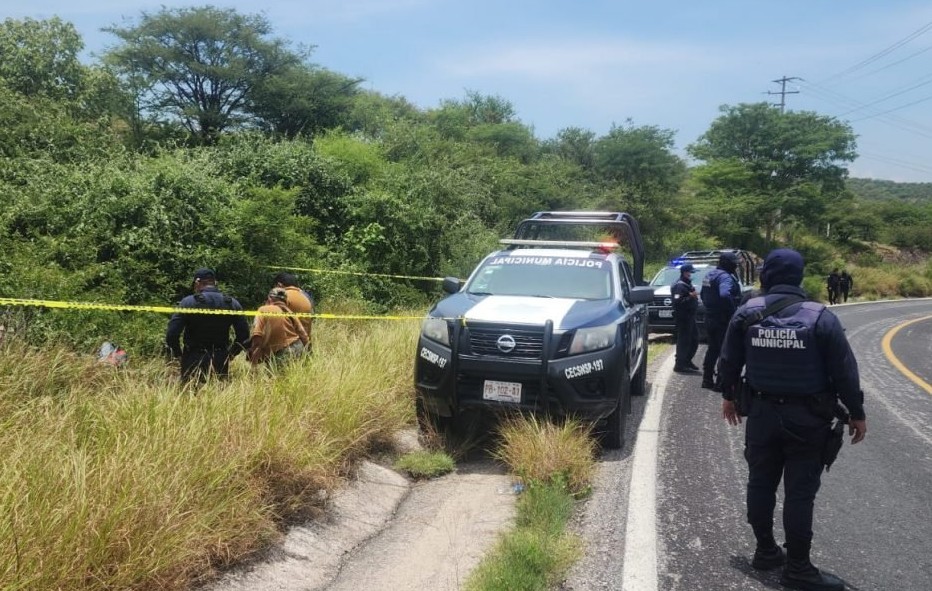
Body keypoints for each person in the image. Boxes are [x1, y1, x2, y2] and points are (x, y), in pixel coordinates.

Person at [719, 248, 867, 591]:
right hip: (808, 420)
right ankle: (798, 569)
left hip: (761, 415)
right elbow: (845, 374)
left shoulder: (747, 313)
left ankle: (765, 551)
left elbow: (728, 362)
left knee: (760, 483)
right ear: (799, 276)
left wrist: (729, 397)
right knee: (799, 495)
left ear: (765, 275)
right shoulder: (821, 317)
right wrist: (856, 414)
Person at [166, 268, 250, 383]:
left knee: (191, 395)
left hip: (193, 357)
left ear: (197, 282)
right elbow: (244, 335)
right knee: (218, 396)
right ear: (215, 282)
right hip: (220, 358)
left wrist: (178, 355)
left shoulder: (188, 303)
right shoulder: (232, 303)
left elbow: (172, 334)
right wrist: (231, 354)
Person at [700, 252, 741, 390]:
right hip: (723, 319)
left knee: (712, 349)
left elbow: (702, 294)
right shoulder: (725, 277)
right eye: (734, 263)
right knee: (725, 350)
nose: (736, 266)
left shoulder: (709, 275)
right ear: (728, 264)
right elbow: (724, 294)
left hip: (710, 317)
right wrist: (733, 311)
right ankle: (721, 383)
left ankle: (707, 379)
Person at [248, 287, 309, 365]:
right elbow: (304, 335)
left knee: (276, 377)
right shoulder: (289, 312)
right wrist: (308, 354)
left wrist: (254, 362)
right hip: (298, 348)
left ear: (269, 299)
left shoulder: (263, 310)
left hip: (281, 354)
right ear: (285, 301)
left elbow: (257, 336)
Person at [273, 272, 315, 355]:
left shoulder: (281, 296)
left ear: (279, 285)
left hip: (285, 349)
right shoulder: (306, 298)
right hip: (304, 348)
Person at [672, 263, 700, 373]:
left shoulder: (687, 283)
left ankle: (687, 360)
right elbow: (678, 303)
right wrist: (690, 297)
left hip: (690, 317)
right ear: (685, 272)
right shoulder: (679, 286)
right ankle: (680, 364)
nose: (691, 275)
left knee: (694, 340)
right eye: (690, 272)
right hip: (683, 317)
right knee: (684, 341)